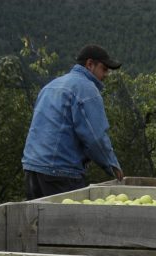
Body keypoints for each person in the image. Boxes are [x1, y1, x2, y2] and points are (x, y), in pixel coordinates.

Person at [22, 44, 124, 199]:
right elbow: (95, 137)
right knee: (70, 222)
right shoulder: (86, 89)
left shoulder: (51, 86)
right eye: (104, 69)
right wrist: (113, 166)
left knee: (40, 221)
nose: (107, 74)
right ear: (90, 64)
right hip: (60, 172)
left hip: (32, 169)